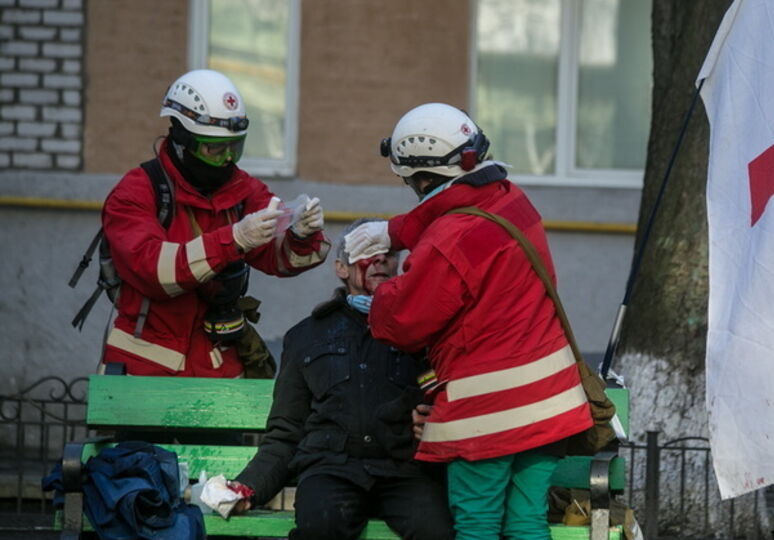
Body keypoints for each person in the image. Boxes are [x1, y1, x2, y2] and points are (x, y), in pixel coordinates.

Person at [344, 103, 593, 539]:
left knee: (476, 523)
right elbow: (460, 205)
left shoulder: (446, 241)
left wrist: (380, 299)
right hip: (550, 402)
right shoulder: (510, 198)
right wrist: (398, 231)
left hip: (488, 413)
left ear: (420, 178)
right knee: (527, 521)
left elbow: (403, 322)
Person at [229, 218, 454, 540]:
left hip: (405, 470)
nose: (379, 259)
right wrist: (248, 487)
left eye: (388, 253)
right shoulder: (307, 336)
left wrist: (438, 418)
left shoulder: (424, 332)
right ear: (341, 268)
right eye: (365, 252)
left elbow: (446, 402)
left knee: (438, 532)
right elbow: (286, 431)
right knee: (321, 526)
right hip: (331, 469)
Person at [100, 69, 328, 378]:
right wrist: (233, 239)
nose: (227, 161)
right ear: (181, 139)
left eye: (235, 148)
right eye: (214, 149)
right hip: (144, 372)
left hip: (219, 368)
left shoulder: (242, 190)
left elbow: (281, 260)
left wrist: (301, 235)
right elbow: (155, 271)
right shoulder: (136, 192)